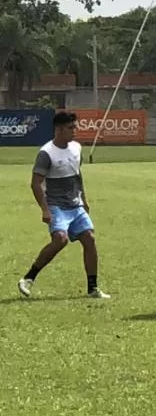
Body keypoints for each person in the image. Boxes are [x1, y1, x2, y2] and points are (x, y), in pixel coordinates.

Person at [18, 111, 109, 299]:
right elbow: (36, 183)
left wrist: (84, 199)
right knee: (60, 239)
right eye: (71, 128)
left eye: (75, 126)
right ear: (59, 130)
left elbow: (77, 174)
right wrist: (45, 209)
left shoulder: (76, 148)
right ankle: (28, 278)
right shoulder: (46, 153)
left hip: (75, 205)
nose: (75, 131)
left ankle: (92, 288)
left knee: (89, 239)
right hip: (56, 205)